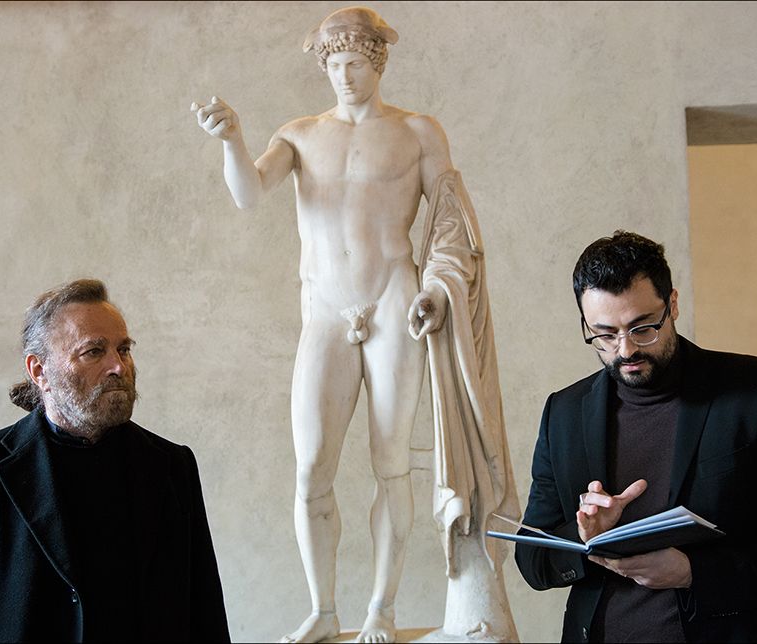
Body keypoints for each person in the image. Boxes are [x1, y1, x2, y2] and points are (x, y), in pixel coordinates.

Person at [192, 6, 518, 643]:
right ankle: (324, 609)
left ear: (378, 63)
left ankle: (380, 609)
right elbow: (248, 193)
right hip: (325, 309)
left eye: (354, 64)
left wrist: (436, 292)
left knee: (390, 461)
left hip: (394, 301)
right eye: (334, 65)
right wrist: (231, 139)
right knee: (311, 467)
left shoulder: (418, 132)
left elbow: (449, 221)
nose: (343, 76)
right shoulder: (299, 135)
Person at [514, 231, 757, 643]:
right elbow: (532, 560)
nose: (625, 350)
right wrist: (584, 537)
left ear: (672, 304)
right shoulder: (563, 412)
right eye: (604, 334)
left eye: (642, 328)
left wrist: (693, 573)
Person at [0, 279, 231, 643]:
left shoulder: (172, 466)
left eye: (123, 349)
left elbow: (205, 620)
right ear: (39, 371)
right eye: (94, 351)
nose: (118, 366)